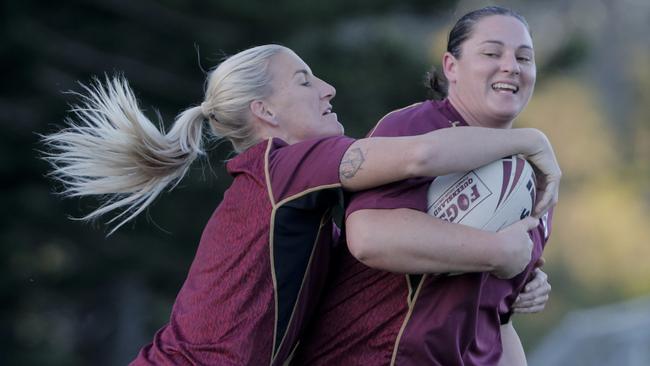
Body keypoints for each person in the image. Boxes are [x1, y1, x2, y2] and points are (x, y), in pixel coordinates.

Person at [42, 43, 559, 365]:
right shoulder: (283, 165)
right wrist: (530, 141)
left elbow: (395, 268)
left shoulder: (299, 206)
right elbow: (422, 153)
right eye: (305, 80)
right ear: (264, 111)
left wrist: (511, 277)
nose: (327, 89)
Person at [293, 6, 555, 366]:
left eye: (524, 57)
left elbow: (494, 323)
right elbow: (369, 238)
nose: (511, 66)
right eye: (492, 53)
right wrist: (496, 251)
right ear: (451, 67)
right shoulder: (416, 127)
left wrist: (522, 284)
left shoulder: (533, 174)